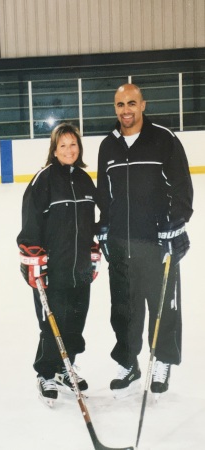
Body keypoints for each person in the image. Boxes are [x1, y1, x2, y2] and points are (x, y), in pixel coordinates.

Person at [96, 84, 193, 398]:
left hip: (157, 241)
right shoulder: (107, 146)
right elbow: (104, 196)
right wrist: (104, 227)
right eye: (120, 104)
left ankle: (162, 360)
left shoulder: (163, 139)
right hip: (122, 243)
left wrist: (175, 224)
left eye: (132, 103)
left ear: (143, 105)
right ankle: (127, 363)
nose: (126, 110)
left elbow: (182, 187)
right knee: (123, 307)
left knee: (162, 304)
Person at [17, 122, 101, 406]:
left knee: (76, 319)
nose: (69, 149)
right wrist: (33, 258)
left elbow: (88, 222)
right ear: (54, 149)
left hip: (79, 267)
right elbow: (30, 222)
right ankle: (45, 373)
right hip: (52, 267)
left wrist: (92, 248)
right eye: (63, 145)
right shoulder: (43, 179)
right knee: (52, 321)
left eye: (73, 144)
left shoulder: (85, 179)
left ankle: (67, 367)